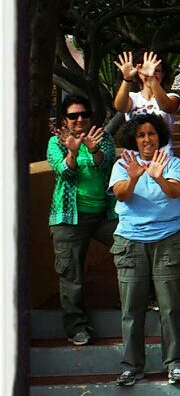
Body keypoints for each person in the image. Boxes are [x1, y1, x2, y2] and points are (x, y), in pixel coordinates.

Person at [109, 114, 180, 386]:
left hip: (168, 238)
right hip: (131, 241)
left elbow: (174, 192)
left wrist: (158, 177)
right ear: (134, 138)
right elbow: (121, 194)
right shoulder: (124, 164)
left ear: (160, 137)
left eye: (152, 134)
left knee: (170, 306)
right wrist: (133, 178)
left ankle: (176, 363)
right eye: (141, 134)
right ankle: (132, 366)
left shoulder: (173, 163)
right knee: (132, 308)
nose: (147, 139)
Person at [47, 94, 117, 345]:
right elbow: (64, 172)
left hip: (104, 214)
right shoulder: (56, 142)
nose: (79, 119)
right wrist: (73, 152)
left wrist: (92, 148)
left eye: (84, 114)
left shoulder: (103, 138)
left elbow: (106, 164)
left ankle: (140, 303)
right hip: (69, 217)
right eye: (73, 116)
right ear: (65, 120)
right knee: (70, 273)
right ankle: (76, 326)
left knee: (130, 247)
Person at [113, 50, 180, 152]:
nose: (152, 73)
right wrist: (127, 79)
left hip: (162, 159)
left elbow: (167, 106)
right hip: (135, 159)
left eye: (157, 71)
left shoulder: (172, 97)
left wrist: (151, 78)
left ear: (163, 74)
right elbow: (120, 107)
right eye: (147, 70)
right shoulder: (132, 97)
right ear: (139, 73)